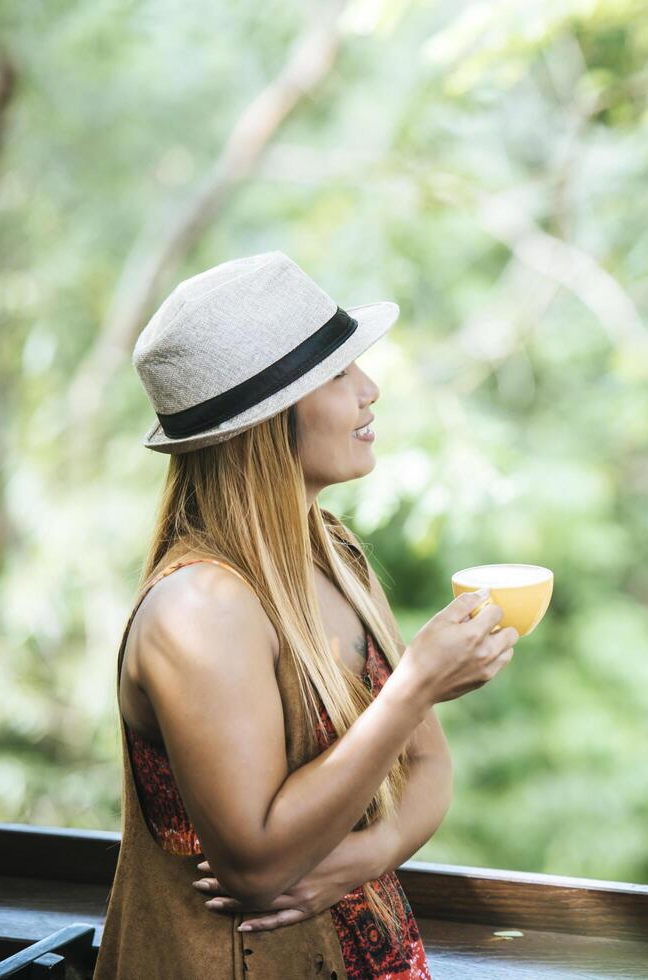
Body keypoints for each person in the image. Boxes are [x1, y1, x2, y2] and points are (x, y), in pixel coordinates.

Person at [94, 251, 520, 979]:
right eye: (337, 375)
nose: (370, 391)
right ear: (266, 422)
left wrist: (363, 857)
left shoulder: (336, 556)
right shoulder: (199, 607)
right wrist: (413, 685)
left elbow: (430, 769)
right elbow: (257, 868)